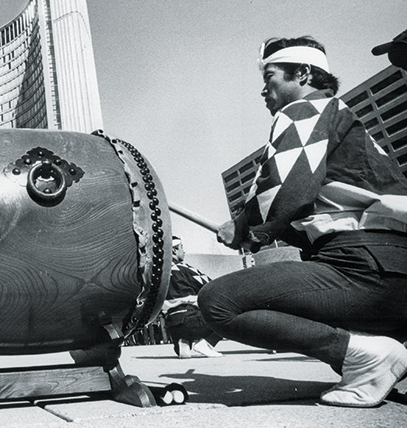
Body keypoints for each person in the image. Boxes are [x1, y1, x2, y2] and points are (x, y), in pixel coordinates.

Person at [199, 36, 407, 407]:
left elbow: (285, 190)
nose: (264, 89)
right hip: (395, 271)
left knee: (219, 301)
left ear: (304, 73)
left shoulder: (305, 110)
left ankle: (364, 358)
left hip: (363, 268)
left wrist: (243, 228)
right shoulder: (348, 122)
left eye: (271, 76)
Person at [161, 236, 222, 358]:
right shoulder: (183, 268)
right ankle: (205, 343)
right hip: (190, 318)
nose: (184, 251)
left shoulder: (160, 272)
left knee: (182, 328)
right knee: (226, 313)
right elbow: (210, 286)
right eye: (181, 247)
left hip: (172, 324)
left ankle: (183, 342)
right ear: (173, 250)